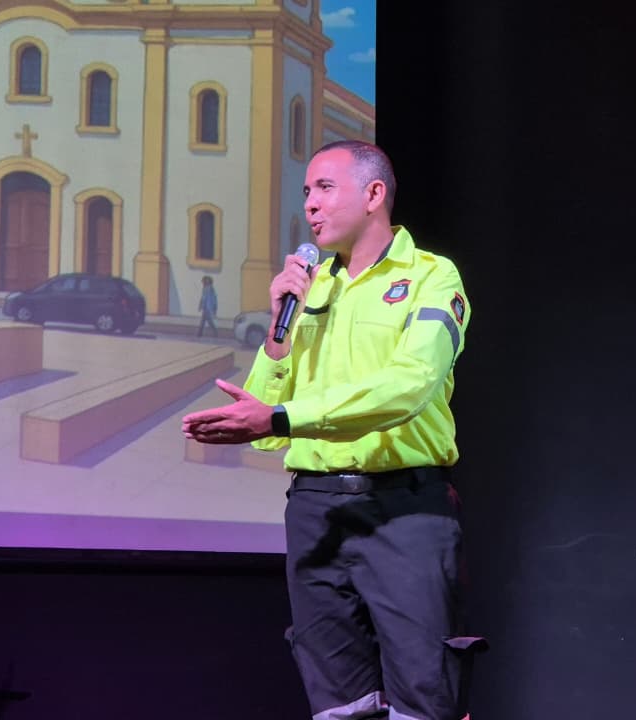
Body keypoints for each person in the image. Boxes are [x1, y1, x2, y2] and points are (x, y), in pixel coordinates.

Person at [182, 140, 481, 720]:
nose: (310, 205)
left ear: (374, 194)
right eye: (305, 193)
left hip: (404, 507)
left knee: (425, 693)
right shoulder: (310, 289)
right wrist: (277, 334)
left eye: (324, 188)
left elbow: (409, 388)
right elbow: (269, 429)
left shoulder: (432, 276)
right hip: (316, 509)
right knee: (338, 702)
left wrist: (281, 417)